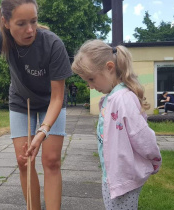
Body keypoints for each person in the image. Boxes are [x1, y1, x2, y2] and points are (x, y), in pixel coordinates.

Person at [0, 0, 72, 209]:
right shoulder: (0, 36)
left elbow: (58, 97)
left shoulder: (53, 44)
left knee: (51, 161)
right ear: (6, 22)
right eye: (21, 23)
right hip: (22, 101)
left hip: (52, 102)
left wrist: (42, 132)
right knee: (24, 161)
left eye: (34, 21)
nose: (30, 30)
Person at [71, 40, 162, 210]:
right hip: (113, 175)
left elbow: (141, 134)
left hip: (124, 177)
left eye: (91, 79)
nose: (90, 86)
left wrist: (154, 159)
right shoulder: (110, 99)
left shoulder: (123, 99)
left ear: (110, 67)